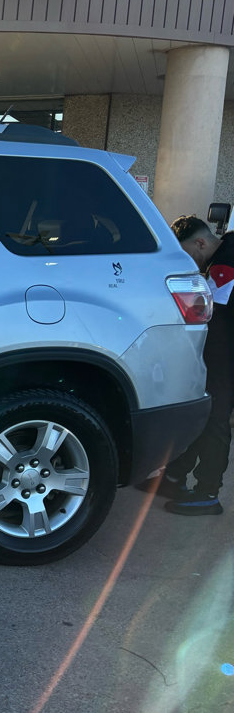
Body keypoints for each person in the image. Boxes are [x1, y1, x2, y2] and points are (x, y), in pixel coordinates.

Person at [151, 215, 234, 515]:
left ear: (200, 242)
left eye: (187, 254)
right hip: (222, 353)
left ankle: (208, 493)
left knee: (215, 419)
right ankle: (174, 476)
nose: (188, 263)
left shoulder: (226, 265)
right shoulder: (224, 256)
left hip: (226, 357)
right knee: (203, 412)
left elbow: (207, 311)